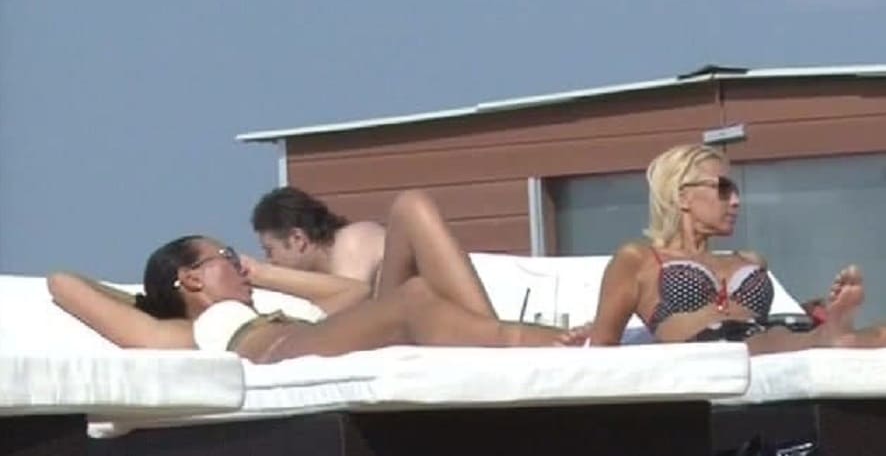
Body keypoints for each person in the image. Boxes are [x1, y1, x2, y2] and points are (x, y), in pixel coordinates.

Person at [587, 143, 886, 354]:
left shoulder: (748, 261)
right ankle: (831, 333)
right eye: (722, 188)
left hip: (771, 337)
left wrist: (809, 310)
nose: (735, 200)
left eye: (735, 189)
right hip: (711, 350)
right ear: (682, 196)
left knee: (879, 333)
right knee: (796, 340)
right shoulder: (637, 260)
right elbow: (603, 346)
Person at [49, 190, 584, 364]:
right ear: (190, 279)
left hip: (320, 333)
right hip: (287, 351)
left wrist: (264, 274)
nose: (239, 262)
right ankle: (540, 343)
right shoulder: (183, 334)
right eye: (227, 255)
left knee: (411, 206)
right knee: (415, 295)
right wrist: (148, 296)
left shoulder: (272, 304)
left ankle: (503, 345)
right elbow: (63, 283)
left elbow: (356, 295)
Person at [250, 186, 385, 286]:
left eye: (269, 250)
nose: (270, 261)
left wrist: (268, 276)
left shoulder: (353, 239)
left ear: (297, 239)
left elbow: (354, 303)